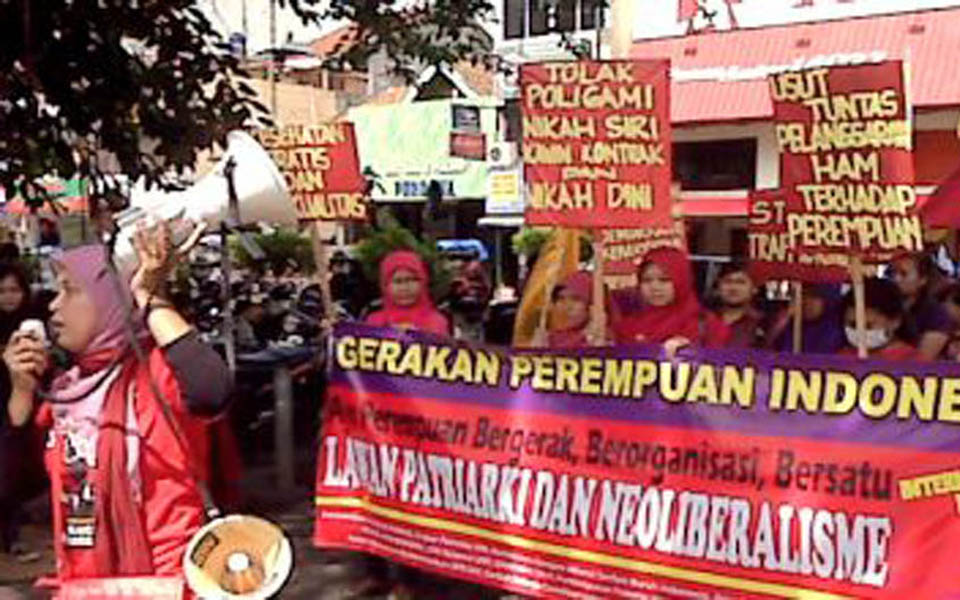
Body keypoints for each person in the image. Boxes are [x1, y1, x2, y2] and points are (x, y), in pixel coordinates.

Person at [2, 224, 232, 584]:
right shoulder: (66, 390)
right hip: (86, 585)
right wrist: (21, 392)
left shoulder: (156, 375)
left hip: (165, 583)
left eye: (70, 290)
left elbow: (211, 390)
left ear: (113, 300)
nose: (53, 304)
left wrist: (148, 293)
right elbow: (14, 485)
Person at [0, 261, 43, 561]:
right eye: (1, 291)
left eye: (14, 290)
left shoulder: (33, 323)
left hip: (22, 405)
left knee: (14, 466)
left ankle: (12, 535)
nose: (8, 297)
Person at [611, 248, 730, 349]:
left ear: (682, 280)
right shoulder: (628, 327)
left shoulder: (708, 325)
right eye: (646, 280)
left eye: (664, 280)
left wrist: (689, 350)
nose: (655, 287)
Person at [366, 250, 449, 336]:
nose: (405, 288)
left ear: (423, 282)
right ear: (385, 286)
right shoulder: (374, 321)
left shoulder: (438, 322)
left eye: (411, 280)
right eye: (398, 281)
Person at [891, 252, 953, 360]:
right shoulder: (885, 307)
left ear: (922, 279)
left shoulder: (937, 315)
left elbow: (922, 361)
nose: (896, 279)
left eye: (903, 274)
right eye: (892, 272)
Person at [839, 277, 918, 361]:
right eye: (853, 325)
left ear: (895, 322)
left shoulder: (912, 361)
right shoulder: (843, 356)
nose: (859, 331)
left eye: (868, 326)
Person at [767, 283, 847, 355]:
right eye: (803, 294)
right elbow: (767, 351)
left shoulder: (836, 331)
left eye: (814, 296)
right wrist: (781, 322)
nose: (807, 301)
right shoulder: (791, 325)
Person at [713, 261, 766, 349]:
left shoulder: (764, 325)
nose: (733, 288)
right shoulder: (703, 322)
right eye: (728, 281)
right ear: (718, 288)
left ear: (754, 289)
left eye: (741, 282)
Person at [544, 271, 593, 349]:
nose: (567, 306)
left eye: (576, 299)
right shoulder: (544, 341)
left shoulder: (602, 342)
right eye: (561, 298)